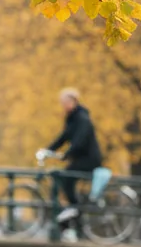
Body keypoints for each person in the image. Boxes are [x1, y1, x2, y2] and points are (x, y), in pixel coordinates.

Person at [41, 88, 103, 225]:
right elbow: (64, 137)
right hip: (81, 158)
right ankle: (72, 215)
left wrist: (66, 154)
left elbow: (79, 141)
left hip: (90, 159)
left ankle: (75, 208)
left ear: (74, 101)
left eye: (66, 102)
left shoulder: (82, 118)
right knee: (66, 178)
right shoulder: (73, 119)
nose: (64, 105)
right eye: (62, 103)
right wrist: (48, 150)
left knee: (66, 178)